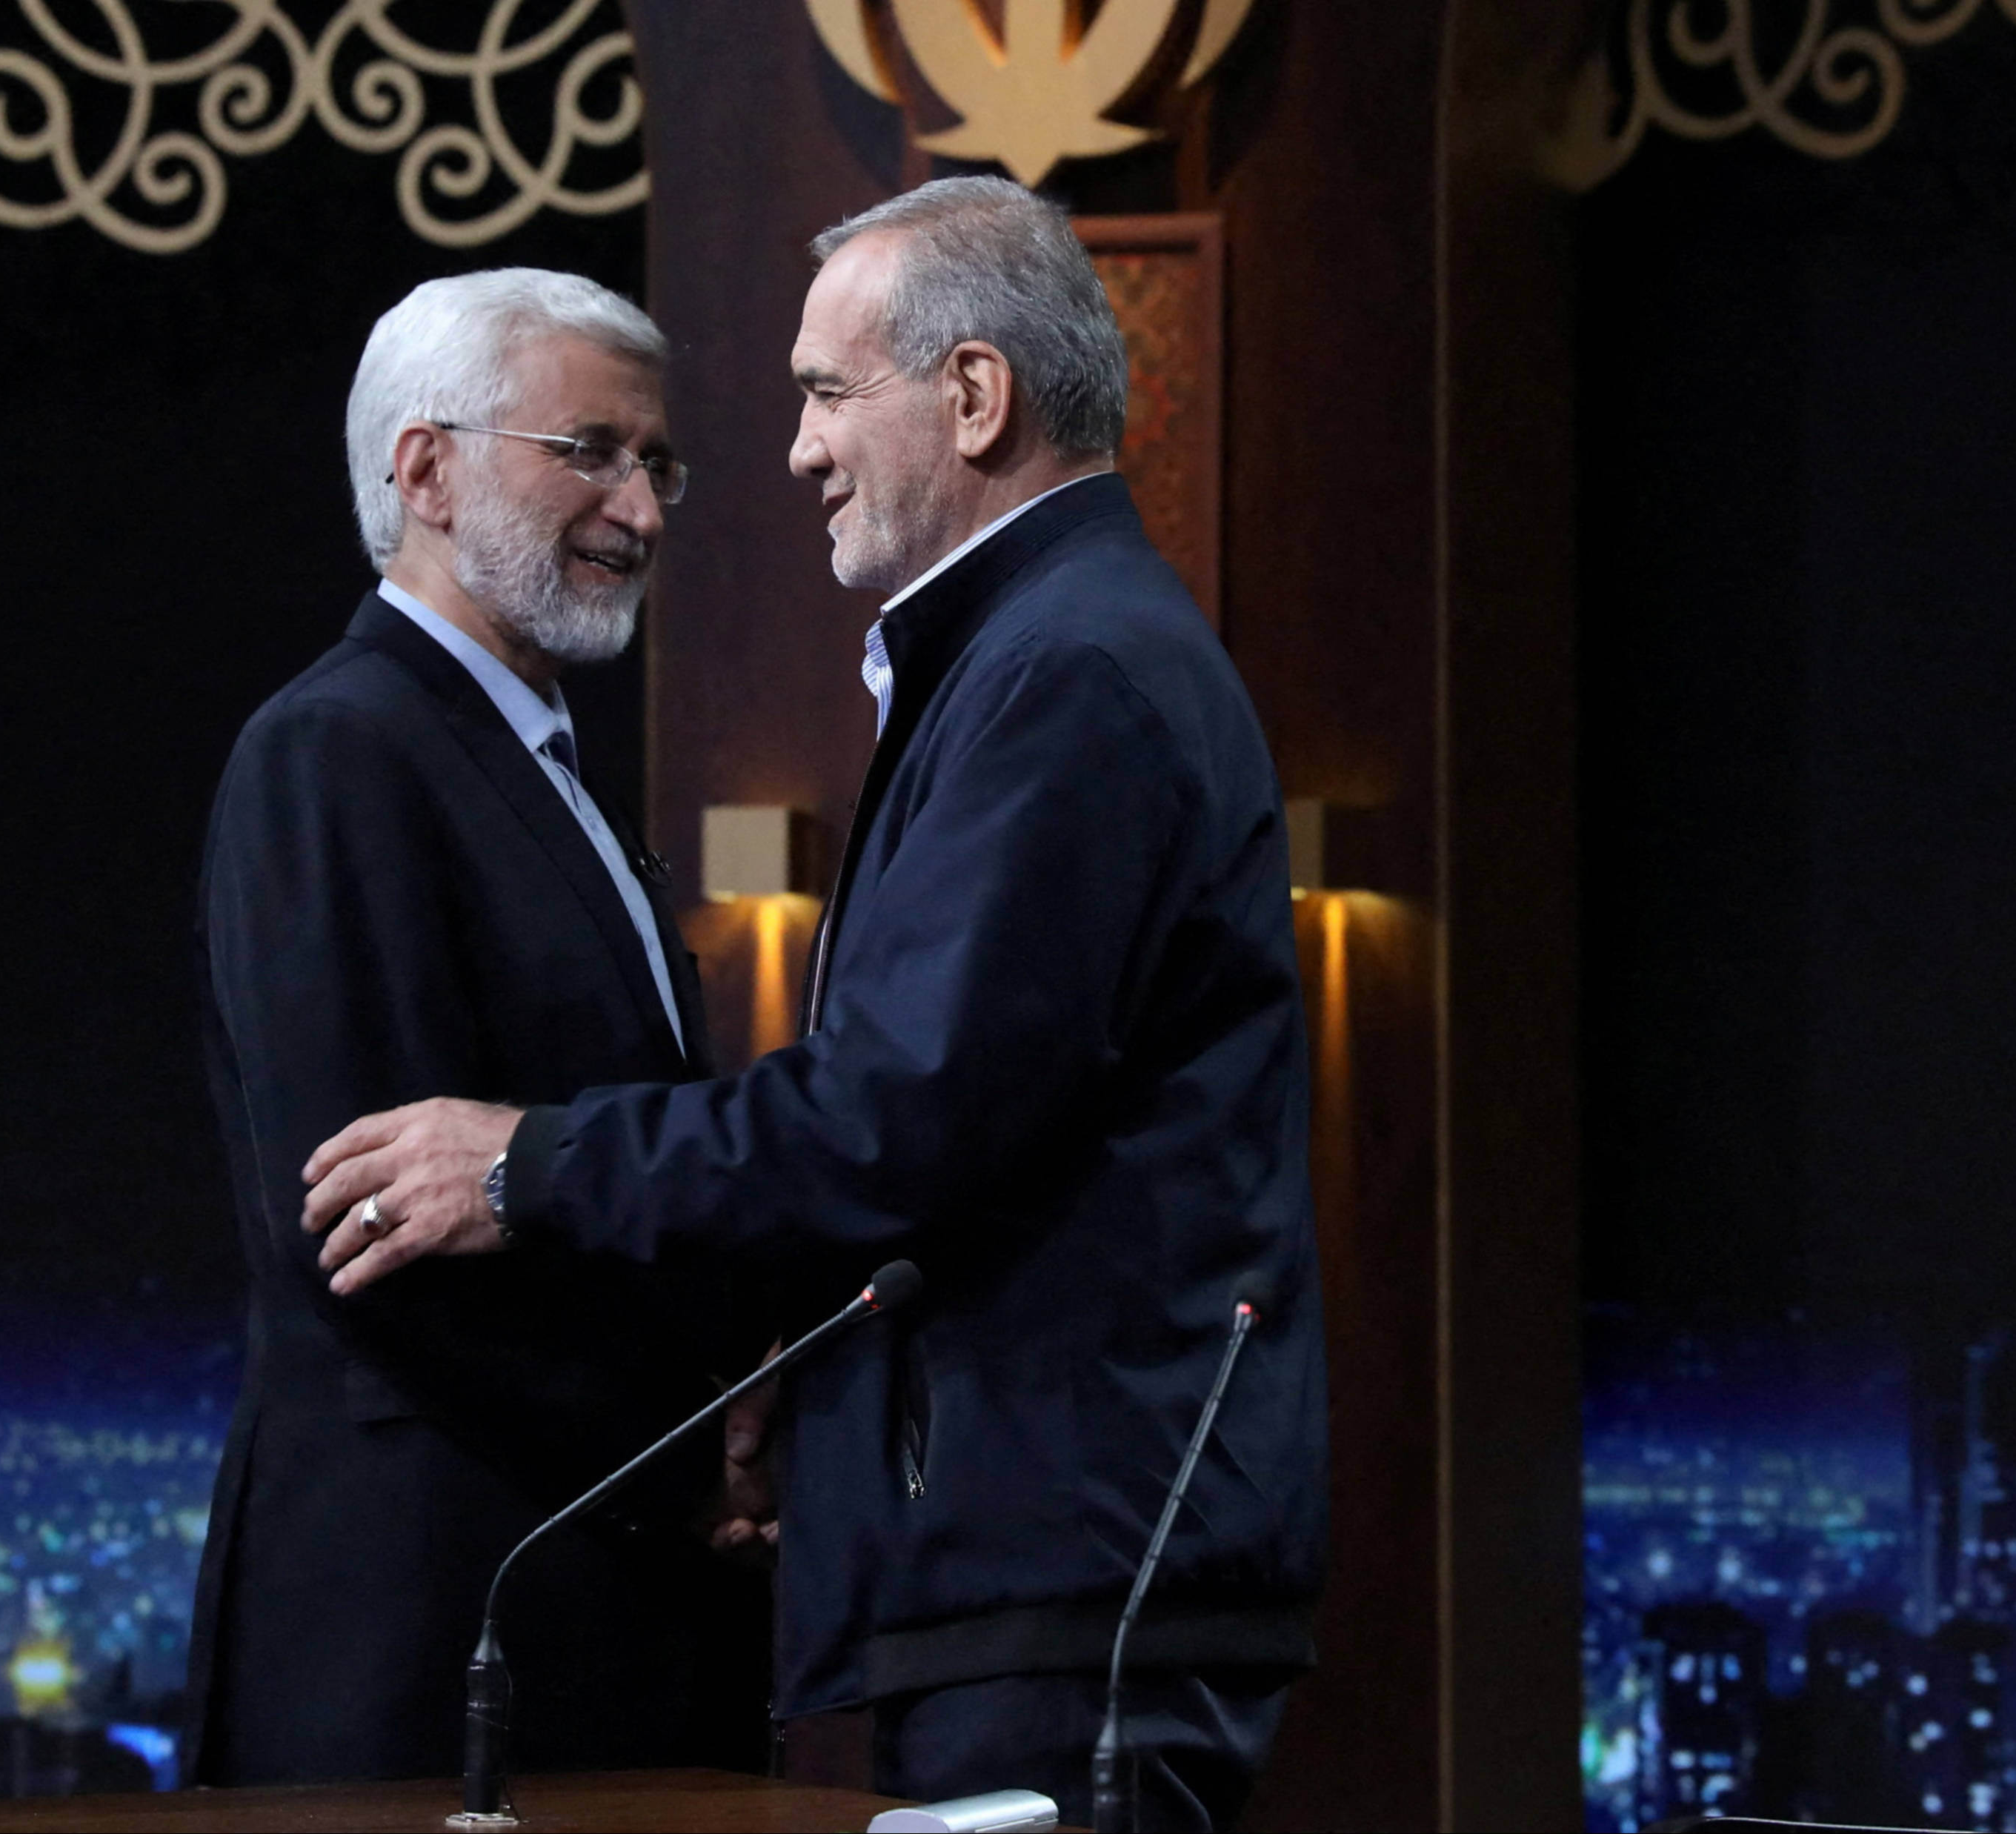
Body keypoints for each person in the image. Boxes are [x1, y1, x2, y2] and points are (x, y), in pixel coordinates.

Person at [299, 179, 1328, 1831]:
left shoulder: (1065, 673)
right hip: (1049, 1554)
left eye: (828, 391)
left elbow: (894, 1115)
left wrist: (523, 1165)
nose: (794, 449)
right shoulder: (1038, 655)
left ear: (974, 395)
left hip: (1073, 1567)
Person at [179, 268, 765, 1787]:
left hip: (575, 1596)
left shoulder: (535, 765)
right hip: (420, 1628)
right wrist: (677, 1456)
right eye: (590, 451)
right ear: (425, 471)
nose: (639, 510)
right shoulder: (337, 750)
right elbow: (367, 1226)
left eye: (657, 464)